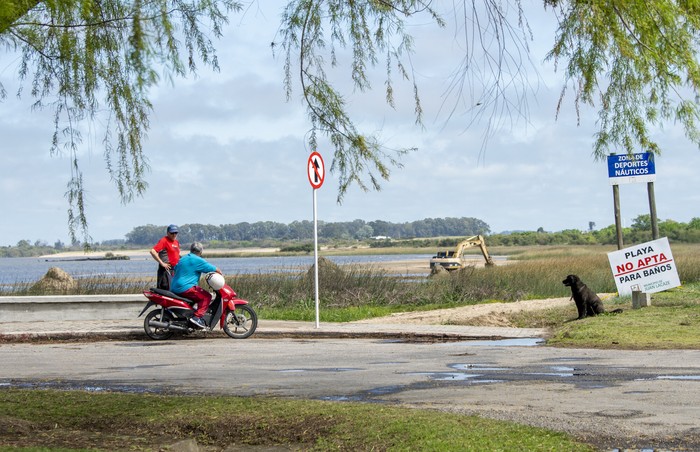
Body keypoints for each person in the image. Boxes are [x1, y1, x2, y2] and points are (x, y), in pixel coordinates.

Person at [170, 242, 223, 329]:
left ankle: (190, 317)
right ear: (201, 252)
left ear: (191, 250)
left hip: (175, 287)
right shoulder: (198, 260)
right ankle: (197, 317)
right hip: (186, 288)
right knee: (206, 297)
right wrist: (220, 276)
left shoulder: (183, 258)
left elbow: (175, 270)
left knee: (197, 296)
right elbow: (216, 269)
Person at [150, 224, 181, 290]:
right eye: (172, 233)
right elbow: (152, 251)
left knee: (174, 290)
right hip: (165, 270)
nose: (174, 235)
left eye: (176, 233)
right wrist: (162, 263)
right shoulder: (164, 241)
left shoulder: (176, 242)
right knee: (165, 291)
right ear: (168, 233)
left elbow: (176, 255)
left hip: (174, 270)